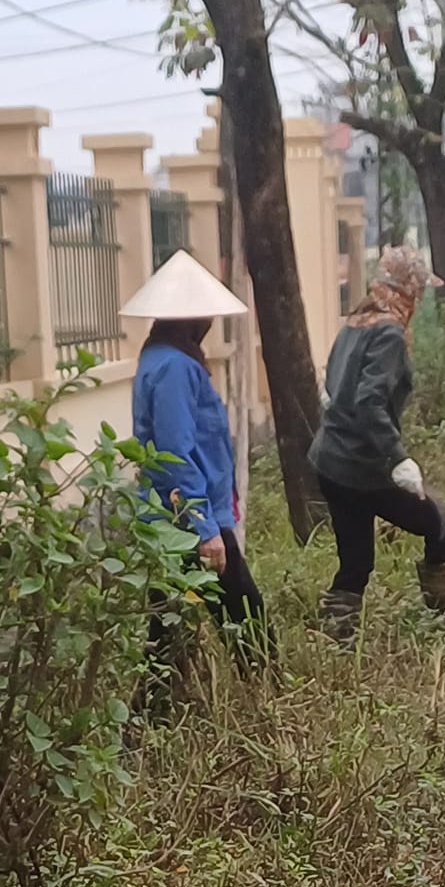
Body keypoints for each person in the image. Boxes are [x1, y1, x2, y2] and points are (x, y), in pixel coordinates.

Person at [126, 250, 269, 666]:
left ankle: (147, 720)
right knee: (249, 624)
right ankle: (265, 707)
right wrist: (206, 529)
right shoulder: (174, 367)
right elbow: (174, 451)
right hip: (185, 521)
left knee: (168, 636)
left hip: (176, 519)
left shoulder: (164, 357)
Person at [309, 245, 445, 643]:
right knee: (441, 524)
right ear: (407, 291)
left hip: (330, 462)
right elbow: (369, 400)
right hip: (363, 465)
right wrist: (398, 459)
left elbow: (334, 385)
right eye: (419, 291)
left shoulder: (355, 322)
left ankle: (336, 639)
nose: (420, 300)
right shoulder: (388, 332)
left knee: (355, 562)